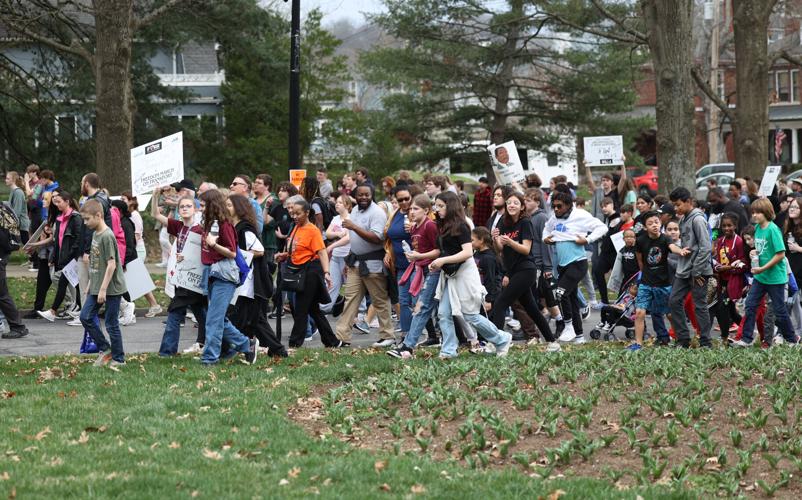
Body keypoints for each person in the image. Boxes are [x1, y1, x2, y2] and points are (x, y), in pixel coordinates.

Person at [431, 192, 512, 359]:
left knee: (471, 315)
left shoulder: (461, 226)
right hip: (450, 275)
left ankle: (502, 338)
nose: (437, 209)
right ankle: (449, 350)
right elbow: (444, 251)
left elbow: (467, 252)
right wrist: (429, 259)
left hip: (465, 275)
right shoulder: (443, 226)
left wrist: (442, 260)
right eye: (436, 205)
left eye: (440, 206)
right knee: (443, 313)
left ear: (451, 206)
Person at [197, 189, 259, 365]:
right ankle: (247, 344)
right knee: (218, 319)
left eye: (203, 205)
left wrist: (214, 245)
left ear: (212, 205)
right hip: (211, 274)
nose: (200, 208)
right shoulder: (210, 224)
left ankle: (210, 358)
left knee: (213, 320)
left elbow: (232, 253)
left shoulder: (225, 225)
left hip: (224, 276)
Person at [334, 184, 395, 347]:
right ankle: (342, 336)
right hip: (355, 262)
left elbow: (377, 238)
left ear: (372, 195)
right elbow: (354, 238)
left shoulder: (377, 213)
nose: (363, 197)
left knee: (379, 300)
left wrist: (354, 226)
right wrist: (349, 258)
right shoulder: (355, 210)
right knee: (350, 299)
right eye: (360, 195)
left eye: (367, 195)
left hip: (373, 264)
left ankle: (387, 335)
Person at [543, 190, 608, 344]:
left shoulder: (580, 215)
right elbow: (546, 228)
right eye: (554, 207)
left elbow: (602, 228)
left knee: (560, 293)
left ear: (569, 205)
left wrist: (587, 239)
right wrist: (546, 238)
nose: (556, 209)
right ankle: (579, 336)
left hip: (577, 263)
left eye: (559, 206)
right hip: (562, 265)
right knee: (570, 299)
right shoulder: (555, 217)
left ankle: (568, 326)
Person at [226, 194, 287, 357]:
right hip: (242, 281)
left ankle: (274, 349)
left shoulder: (245, 229)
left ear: (239, 209)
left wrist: (237, 254)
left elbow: (259, 250)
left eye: (230, 206)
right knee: (249, 319)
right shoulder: (234, 227)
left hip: (250, 282)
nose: (227, 208)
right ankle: (244, 348)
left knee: (252, 319)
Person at [490, 192, 554, 345]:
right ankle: (552, 342)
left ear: (522, 207)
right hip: (512, 270)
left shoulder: (525, 222)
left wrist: (510, 242)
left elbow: (526, 249)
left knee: (500, 303)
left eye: (516, 203)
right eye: (509, 202)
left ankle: (496, 343)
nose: (511, 205)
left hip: (526, 270)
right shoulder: (502, 223)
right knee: (531, 308)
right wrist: (495, 239)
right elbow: (499, 249)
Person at [733, 199, 799, 347]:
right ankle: (746, 339)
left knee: (780, 311)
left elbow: (780, 254)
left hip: (775, 278)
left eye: (758, 212)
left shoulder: (773, 229)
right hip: (760, 277)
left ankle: (792, 339)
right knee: (750, 305)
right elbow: (761, 249)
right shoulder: (757, 228)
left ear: (767, 213)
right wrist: (753, 253)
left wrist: (763, 268)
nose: (754, 215)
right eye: (753, 212)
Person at [277, 198, 339, 348]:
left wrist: (326, 272)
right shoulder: (296, 227)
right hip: (298, 269)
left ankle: (294, 343)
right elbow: (296, 248)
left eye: (298, 213)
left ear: (307, 213)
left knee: (301, 308)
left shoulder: (312, 230)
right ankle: (332, 341)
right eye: (292, 213)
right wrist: (284, 255)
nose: (294, 216)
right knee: (313, 309)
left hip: (311, 271)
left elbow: (322, 252)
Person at [152, 189, 207, 356]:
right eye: (181, 206)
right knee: (202, 314)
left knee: (176, 312)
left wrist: (188, 258)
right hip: (182, 278)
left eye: (188, 206)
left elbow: (206, 253)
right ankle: (210, 343)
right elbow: (156, 214)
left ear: (195, 210)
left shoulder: (201, 230)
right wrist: (155, 196)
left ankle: (167, 351)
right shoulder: (178, 226)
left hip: (195, 278)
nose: (184, 209)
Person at [387, 194, 442, 358]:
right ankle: (453, 342)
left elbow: (438, 251)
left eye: (415, 208)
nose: (411, 211)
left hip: (434, 269)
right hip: (422, 269)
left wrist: (418, 256)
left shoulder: (430, 226)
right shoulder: (414, 227)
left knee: (423, 307)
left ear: (426, 210)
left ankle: (407, 346)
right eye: (411, 209)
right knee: (437, 310)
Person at [78, 200, 127, 367]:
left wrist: (103, 289)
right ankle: (105, 348)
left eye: (87, 219)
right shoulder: (95, 234)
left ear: (98, 216)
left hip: (111, 288)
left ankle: (119, 359)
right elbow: (95, 261)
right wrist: (91, 282)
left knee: (112, 323)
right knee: (85, 316)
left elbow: (111, 265)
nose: (85, 223)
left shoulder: (107, 236)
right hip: (97, 286)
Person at [668, 187, 713, 348]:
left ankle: (706, 342)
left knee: (699, 305)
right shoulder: (683, 219)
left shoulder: (698, 220)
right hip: (684, 270)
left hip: (698, 272)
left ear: (688, 202)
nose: (675, 208)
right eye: (674, 205)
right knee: (674, 301)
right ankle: (683, 339)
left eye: (678, 204)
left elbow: (706, 247)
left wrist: (697, 270)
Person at [36, 190, 82, 322]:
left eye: (59, 202)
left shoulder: (75, 218)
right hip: (65, 258)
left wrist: (70, 257)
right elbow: (58, 240)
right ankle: (77, 310)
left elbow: (78, 240)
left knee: (72, 284)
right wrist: (54, 257)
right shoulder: (60, 219)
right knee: (73, 285)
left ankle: (57, 311)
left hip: (72, 258)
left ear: (67, 202)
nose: (57, 205)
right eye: (55, 202)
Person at [628, 211, 672, 350]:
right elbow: (641, 262)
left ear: (660, 223)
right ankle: (638, 344)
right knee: (640, 312)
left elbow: (673, 249)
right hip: (646, 282)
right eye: (650, 223)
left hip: (664, 283)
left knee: (669, 313)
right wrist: (643, 278)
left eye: (656, 222)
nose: (654, 225)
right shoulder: (640, 241)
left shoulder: (666, 239)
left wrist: (681, 251)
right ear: (645, 227)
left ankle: (680, 338)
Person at [711, 213, 746, 343]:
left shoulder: (739, 242)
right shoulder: (720, 241)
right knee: (731, 310)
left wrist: (727, 268)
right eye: (724, 226)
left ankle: (724, 337)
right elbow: (718, 260)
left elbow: (743, 264)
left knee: (722, 308)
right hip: (722, 281)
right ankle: (746, 327)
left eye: (729, 225)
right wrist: (717, 267)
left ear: (735, 226)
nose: (726, 228)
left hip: (734, 281)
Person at [384, 186, 413, 337]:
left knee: (417, 301)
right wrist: (388, 252)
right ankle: (406, 334)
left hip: (416, 264)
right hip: (400, 265)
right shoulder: (395, 214)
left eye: (406, 199)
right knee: (403, 301)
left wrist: (414, 227)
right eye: (400, 199)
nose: (404, 202)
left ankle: (432, 334)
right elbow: (389, 235)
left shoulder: (415, 213)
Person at [321, 195, 352, 314]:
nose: (337, 204)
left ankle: (360, 314)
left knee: (352, 287)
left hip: (347, 257)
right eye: (337, 202)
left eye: (340, 202)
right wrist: (338, 233)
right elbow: (328, 234)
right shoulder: (336, 219)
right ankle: (323, 310)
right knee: (331, 284)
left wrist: (331, 246)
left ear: (348, 206)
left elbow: (348, 238)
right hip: (336, 257)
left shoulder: (351, 219)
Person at [121, 192, 146, 262]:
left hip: (138, 250)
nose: (121, 202)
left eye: (123, 199)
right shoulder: (129, 215)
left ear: (131, 201)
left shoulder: (135, 215)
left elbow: (137, 235)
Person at [6, 172, 30, 243]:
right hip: (17, 223)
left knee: (27, 245)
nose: (5, 180)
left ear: (13, 180)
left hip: (21, 224)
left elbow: (17, 212)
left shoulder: (18, 192)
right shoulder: (13, 191)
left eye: (8, 179)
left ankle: (36, 254)